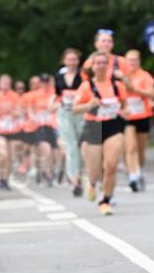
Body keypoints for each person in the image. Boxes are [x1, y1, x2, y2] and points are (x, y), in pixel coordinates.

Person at [73, 52, 128, 215]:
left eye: (104, 62)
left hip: (113, 125)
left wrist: (125, 111)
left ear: (108, 65)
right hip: (94, 127)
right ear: (93, 66)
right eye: (98, 63)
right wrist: (89, 105)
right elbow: (75, 109)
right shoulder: (86, 86)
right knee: (94, 170)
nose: (101, 66)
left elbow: (124, 106)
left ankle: (106, 200)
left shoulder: (117, 85)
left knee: (111, 165)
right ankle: (91, 183)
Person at [122, 49, 154, 192]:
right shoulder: (121, 77)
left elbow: (151, 94)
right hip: (127, 116)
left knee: (141, 148)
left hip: (142, 115)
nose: (132, 63)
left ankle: (139, 170)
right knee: (130, 147)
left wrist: (135, 89)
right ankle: (133, 176)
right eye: (130, 60)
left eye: (135, 60)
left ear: (139, 61)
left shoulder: (145, 76)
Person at [53, 48, 84, 196]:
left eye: (74, 59)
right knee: (71, 146)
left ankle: (79, 172)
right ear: (64, 61)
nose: (72, 62)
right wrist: (53, 104)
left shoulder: (83, 77)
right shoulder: (59, 77)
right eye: (69, 59)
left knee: (81, 145)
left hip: (80, 113)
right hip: (65, 113)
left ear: (78, 61)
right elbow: (56, 95)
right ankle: (74, 180)